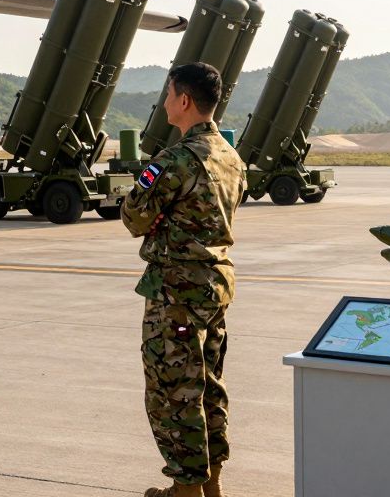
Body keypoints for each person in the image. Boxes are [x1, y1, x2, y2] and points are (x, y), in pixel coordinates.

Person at [122, 62, 246, 497]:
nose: (165, 101)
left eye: (168, 93)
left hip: (175, 292)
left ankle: (186, 489)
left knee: (173, 389)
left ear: (185, 100)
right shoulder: (231, 157)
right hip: (215, 288)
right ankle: (211, 484)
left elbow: (135, 217)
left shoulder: (173, 160)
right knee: (209, 383)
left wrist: (158, 221)